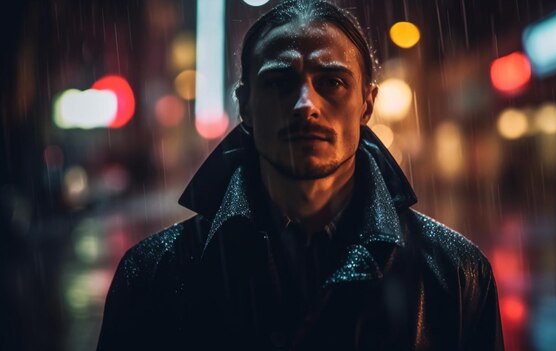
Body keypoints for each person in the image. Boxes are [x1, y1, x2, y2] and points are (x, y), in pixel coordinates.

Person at [97, 1, 504, 350]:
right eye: (279, 82)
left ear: (367, 103)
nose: (306, 105)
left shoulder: (455, 273)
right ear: (246, 107)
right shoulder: (154, 274)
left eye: (332, 82)